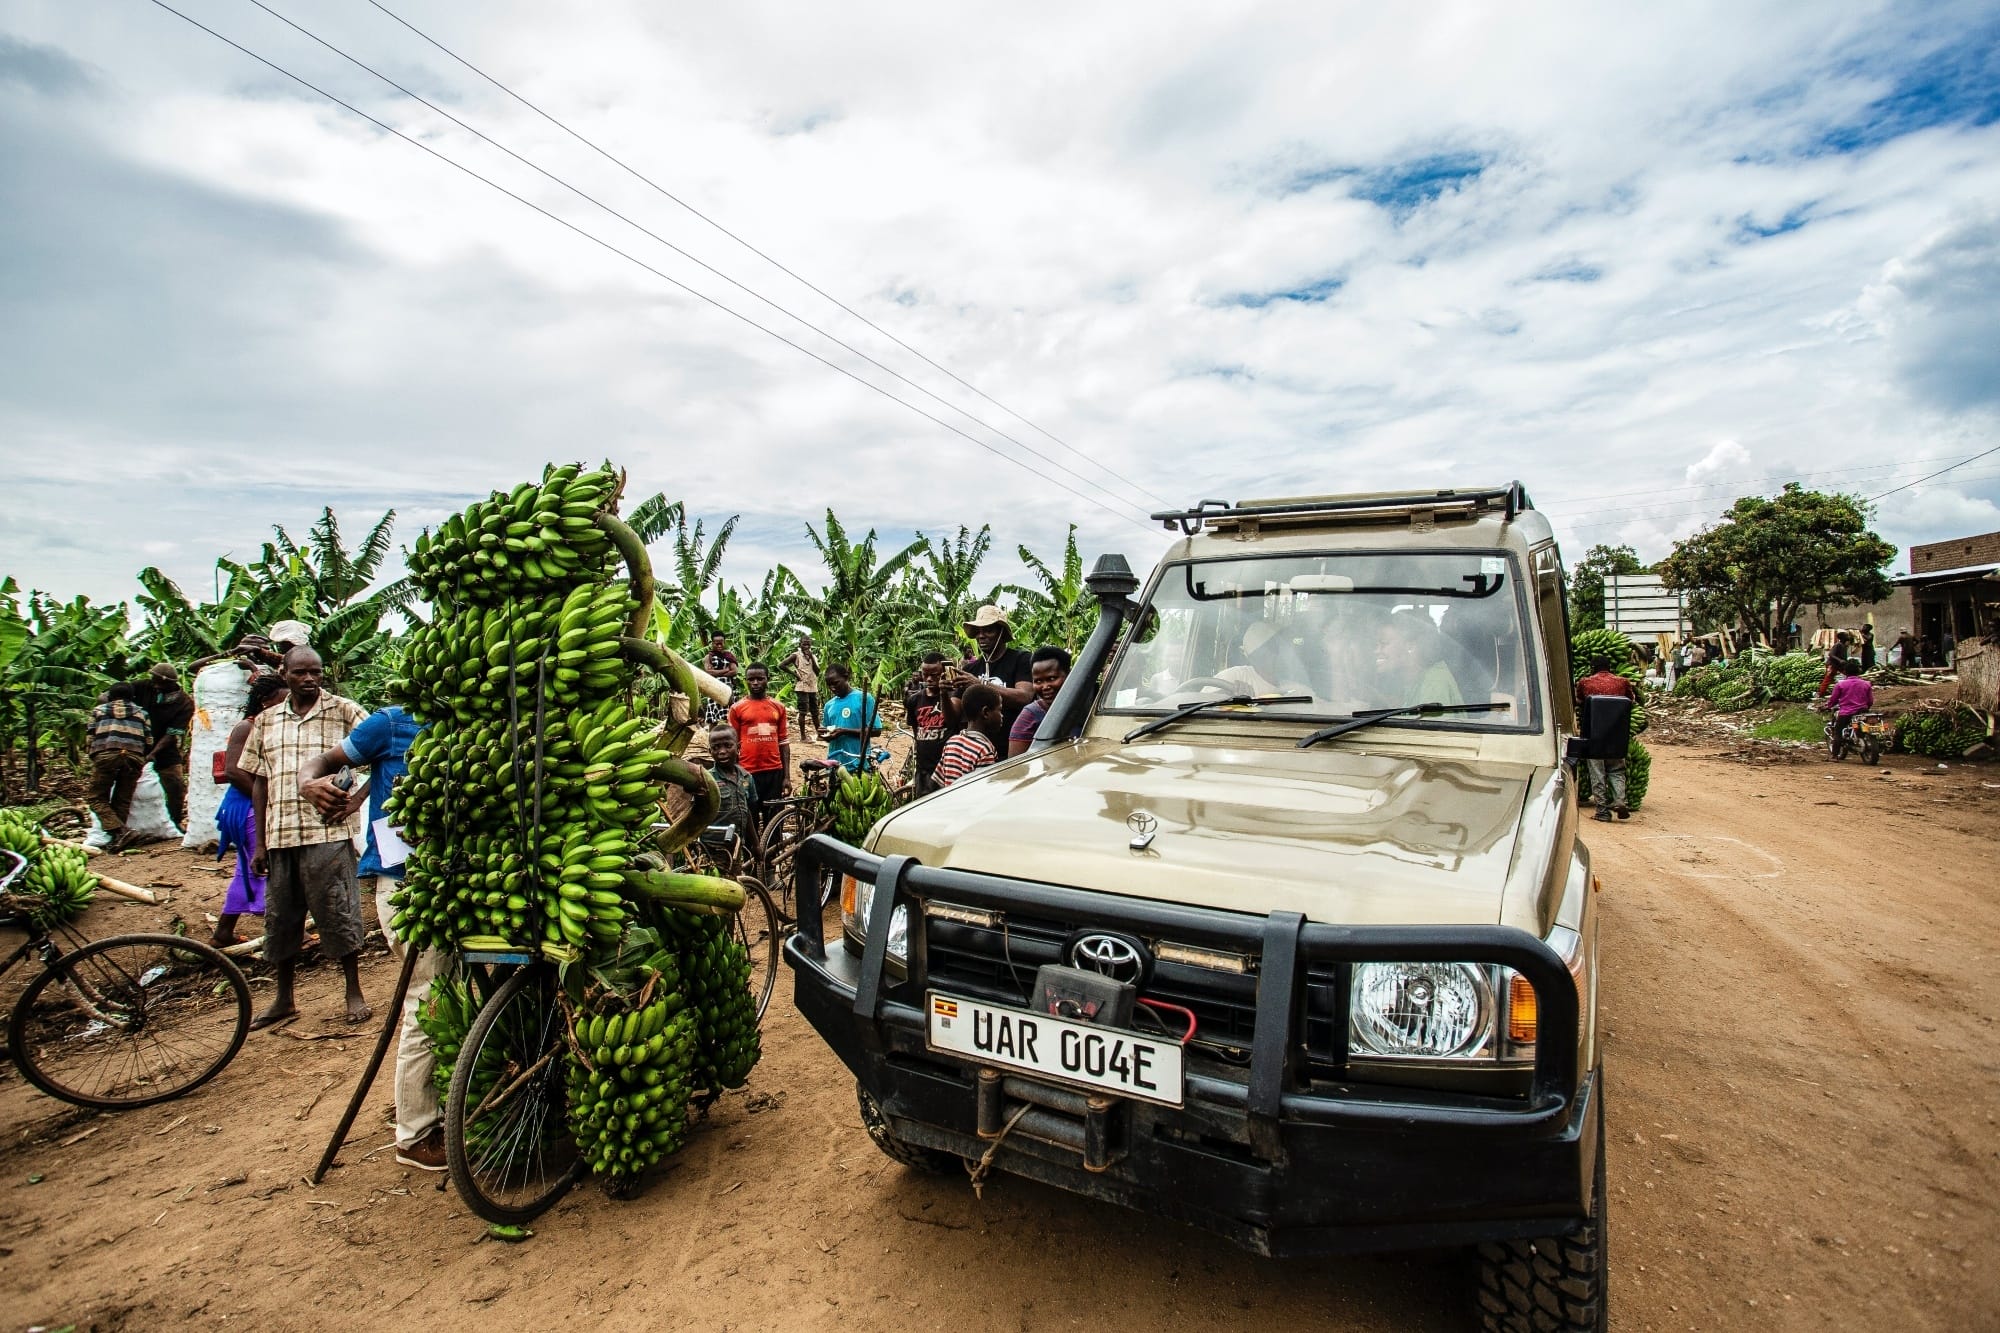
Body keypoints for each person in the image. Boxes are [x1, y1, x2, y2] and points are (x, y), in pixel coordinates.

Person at [295, 701, 434, 1164]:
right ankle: (415, 1133)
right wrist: (308, 782)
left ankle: (452, 1101)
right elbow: (325, 763)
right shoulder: (393, 722)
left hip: (463, 880)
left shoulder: (482, 721)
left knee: (453, 992)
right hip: (406, 882)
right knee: (428, 996)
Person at [240, 647, 371, 1029]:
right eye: (300, 673)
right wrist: (260, 841)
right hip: (282, 831)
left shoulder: (344, 710)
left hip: (327, 829)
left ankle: (353, 990)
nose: (309, 680)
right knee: (281, 919)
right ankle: (283, 998)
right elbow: (260, 780)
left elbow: (378, 754)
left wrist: (356, 801)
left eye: (316, 672)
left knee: (338, 911)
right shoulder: (265, 721)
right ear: (284, 673)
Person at [212, 673, 288, 947]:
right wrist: (268, 800)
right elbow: (233, 771)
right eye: (281, 701)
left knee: (249, 868)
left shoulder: (275, 725)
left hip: (255, 802)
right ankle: (285, 932)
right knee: (266, 864)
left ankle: (223, 932)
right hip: (246, 804)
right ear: (265, 701)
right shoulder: (247, 727)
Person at [86, 683, 152, 852]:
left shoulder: (99, 711)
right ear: (132, 697)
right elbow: (149, 741)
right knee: (122, 799)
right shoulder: (142, 713)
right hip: (133, 758)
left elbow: (90, 737)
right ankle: (119, 838)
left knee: (96, 797)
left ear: (110, 696)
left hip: (106, 755)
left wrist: (93, 754)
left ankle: (120, 831)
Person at [1574, 653, 1638, 821]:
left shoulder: (1585, 683)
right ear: (1609, 668)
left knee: (1598, 774)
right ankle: (1620, 801)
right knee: (1617, 770)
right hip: (1617, 736)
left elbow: (1579, 701)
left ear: (1593, 668)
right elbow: (1631, 701)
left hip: (1594, 735)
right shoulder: (1623, 682)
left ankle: (1602, 811)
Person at [961, 605, 1036, 736]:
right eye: (978, 632)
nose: (981, 636)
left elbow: (1024, 697)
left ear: (1001, 633)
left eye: (988, 631)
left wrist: (979, 684)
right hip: (979, 747)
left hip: (1014, 743)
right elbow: (955, 715)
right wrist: (944, 693)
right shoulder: (969, 669)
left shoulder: (1021, 660)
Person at [139, 662, 194, 830]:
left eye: (159, 682)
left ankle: (174, 822)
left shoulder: (184, 703)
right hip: (137, 745)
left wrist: (153, 753)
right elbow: (112, 695)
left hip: (165, 749)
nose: (155, 685)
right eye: (153, 680)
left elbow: (172, 733)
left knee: (175, 786)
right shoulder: (143, 687)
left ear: (170, 683)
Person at [728, 664, 790, 811]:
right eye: (751, 679)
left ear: (768, 679)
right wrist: (734, 773)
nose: (755, 683)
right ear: (746, 681)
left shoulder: (778, 707)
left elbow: (784, 743)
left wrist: (786, 776)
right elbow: (733, 744)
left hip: (774, 770)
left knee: (774, 816)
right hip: (747, 771)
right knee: (750, 817)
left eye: (760, 679)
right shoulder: (737, 708)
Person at [1375, 610, 1464, 707]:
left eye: (1384, 643)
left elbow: (1429, 722)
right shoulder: (1413, 681)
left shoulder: (1434, 683)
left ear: (1410, 646)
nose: (1376, 651)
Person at [934, 684, 1004, 786]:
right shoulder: (984, 750)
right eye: (1000, 710)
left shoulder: (952, 741)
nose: (1002, 716)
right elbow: (984, 789)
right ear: (986, 712)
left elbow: (940, 781)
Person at [1008, 647, 1072, 758]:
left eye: (1052, 678)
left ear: (1070, 675)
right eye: (1038, 681)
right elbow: (1017, 766)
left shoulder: (1089, 706)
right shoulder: (1029, 717)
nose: (1045, 686)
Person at [904, 651, 954, 792]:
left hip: (947, 767)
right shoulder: (914, 700)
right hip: (923, 769)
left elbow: (954, 723)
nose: (929, 679)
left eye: (935, 675)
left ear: (944, 673)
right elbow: (916, 730)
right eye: (925, 674)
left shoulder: (953, 697)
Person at [703, 726, 761, 841]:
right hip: (713, 844)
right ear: (710, 751)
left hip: (738, 842)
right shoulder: (706, 779)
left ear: (738, 747)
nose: (722, 752)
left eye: (728, 746)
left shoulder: (746, 777)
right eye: (716, 748)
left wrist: (756, 844)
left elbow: (747, 811)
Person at [820, 664, 879, 773]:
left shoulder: (864, 698)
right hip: (835, 763)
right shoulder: (829, 705)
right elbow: (827, 731)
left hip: (858, 762)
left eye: (836, 683)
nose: (832, 688)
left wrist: (844, 731)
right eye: (829, 685)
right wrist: (825, 735)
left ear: (846, 677)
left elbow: (876, 730)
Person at [1820, 658, 1875, 749]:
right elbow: (1870, 701)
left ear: (1845, 672)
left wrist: (1828, 706)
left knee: (1838, 731)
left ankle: (1834, 755)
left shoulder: (1840, 685)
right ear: (1858, 672)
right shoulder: (1866, 684)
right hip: (1863, 711)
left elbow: (1833, 700)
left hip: (1846, 712)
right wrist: (1866, 707)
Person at [783, 635, 822, 741]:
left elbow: (817, 672)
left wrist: (812, 659)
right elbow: (782, 665)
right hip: (802, 687)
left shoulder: (813, 656)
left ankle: (819, 734)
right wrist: (795, 675)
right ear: (800, 644)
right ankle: (803, 736)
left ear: (811, 644)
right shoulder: (796, 655)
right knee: (803, 712)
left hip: (813, 686)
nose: (806, 646)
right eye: (804, 644)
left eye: (808, 644)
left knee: (815, 711)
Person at [702, 633, 740, 726]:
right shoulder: (708, 657)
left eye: (721, 643)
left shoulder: (729, 655)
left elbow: (734, 671)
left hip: (728, 688)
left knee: (730, 716)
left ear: (724, 642)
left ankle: (733, 738)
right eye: (716, 643)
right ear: (712, 643)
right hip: (713, 688)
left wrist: (716, 673)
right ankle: (711, 739)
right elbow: (708, 672)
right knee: (713, 719)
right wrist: (726, 670)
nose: (719, 645)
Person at [1816, 633, 1853, 698]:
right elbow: (1831, 654)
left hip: (1839, 665)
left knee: (1848, 675)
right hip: (1832, 664)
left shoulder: (1844, 646)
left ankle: (1848, 690)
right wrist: (1840, 660)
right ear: (1844, 640)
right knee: (1828, 678)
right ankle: (1820, 693)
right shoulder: (1838, 645)